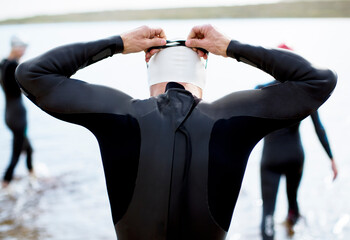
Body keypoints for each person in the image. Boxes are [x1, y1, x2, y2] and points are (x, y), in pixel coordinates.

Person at [15, 25, 336, 239]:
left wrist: (119, 44)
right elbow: (318, 81)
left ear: (149, 68)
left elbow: (33, 73)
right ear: (203, 72)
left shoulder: (118, 115)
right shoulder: (231, 119)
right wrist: (229, 47)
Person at [257, 80, 338, 240]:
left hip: (271, 159)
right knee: (292, 201)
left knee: (268, 213)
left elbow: (243, 123)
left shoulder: (261, 90)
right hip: (295, 157)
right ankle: (291, 232)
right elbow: (318, 128)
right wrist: (331, 158)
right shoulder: (305, 93)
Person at [0, 36, 34, 188]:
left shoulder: (3, 63)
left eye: (25, 48)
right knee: (16, 154)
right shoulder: (13, 65)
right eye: (21, 48)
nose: (23, 51)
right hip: (18, 116)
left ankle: (32, 175)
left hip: (9, 114)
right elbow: (25, 86)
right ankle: (5, 183)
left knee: (29, 149)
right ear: (14, 47)